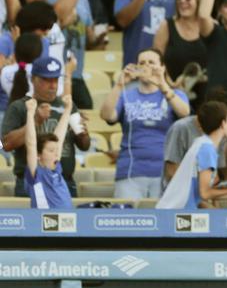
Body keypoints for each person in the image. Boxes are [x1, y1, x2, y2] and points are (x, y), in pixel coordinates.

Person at [101, 47, 190, 199]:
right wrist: (119, 85)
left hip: (166, 172)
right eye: (142, 62)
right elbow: (107, 115)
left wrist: (162, 85)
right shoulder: (126, 95)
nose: (146, 66)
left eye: (151, 62)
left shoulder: (175, 94)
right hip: (131, 170)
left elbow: (185, 113)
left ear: (162, 67)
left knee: (164, 221)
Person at [2, 55, 89, 198]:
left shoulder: (68, 106)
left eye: (55, 79)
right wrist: (35, 120)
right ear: (33, 79)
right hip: (30, 183)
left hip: (64, 181)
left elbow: (85, 146)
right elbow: (3, 144)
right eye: (47, 80)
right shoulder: (20, 107)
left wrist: (83, 133)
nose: (53, 85)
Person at [23, 93, 73, 209]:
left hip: (68, 221)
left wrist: (68, 109)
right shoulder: (36, 173)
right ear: (38, 155)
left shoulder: (57, 169)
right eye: (51, 150)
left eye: (56, 150)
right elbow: (31, 144)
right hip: (45, 223)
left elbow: (59, 138)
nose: (56, 153)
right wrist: (30, 113)